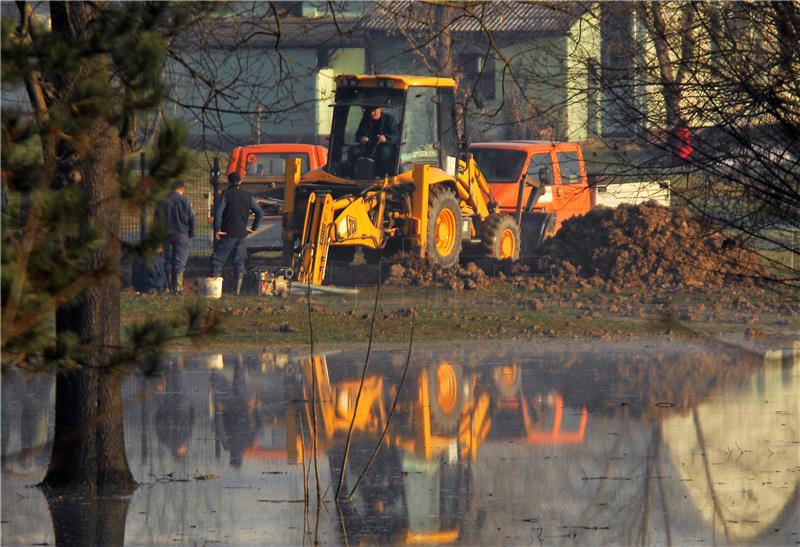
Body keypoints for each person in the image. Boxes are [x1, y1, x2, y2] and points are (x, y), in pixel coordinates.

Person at [210, 172, 263, 295]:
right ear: (241, 181)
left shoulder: (226, 195)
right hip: (242, 234)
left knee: (217, 261)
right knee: (239, 262)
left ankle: (214, 291)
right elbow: (260, 213)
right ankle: (237, 291)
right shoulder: (247, 196)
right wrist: (253, 228)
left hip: (228, 234)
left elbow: (218, 213)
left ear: (229, 181)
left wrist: (218, 229)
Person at [154, 179, 196, 294]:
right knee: (179, 261)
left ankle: (167, 287)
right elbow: (192, 217)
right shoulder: (185, 201)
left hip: (166, 235)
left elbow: (156, 220)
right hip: (182, 234)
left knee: (168, 260)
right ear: (181, 189)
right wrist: (192, 232)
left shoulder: (162, 201)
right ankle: (177, 288)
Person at [355, 105, 400, 177]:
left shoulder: (389, 119)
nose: (372, 113)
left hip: (386, 147)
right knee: (353, 151)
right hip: (368, 147)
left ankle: (382, 176)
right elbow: (357, 135)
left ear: (380, 109)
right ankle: (351, 176)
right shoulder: (365, 120)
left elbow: (396, 136)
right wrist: (361, 138)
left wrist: (386, 138)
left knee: (384, 152)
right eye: (370, 111)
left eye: (374, 110)